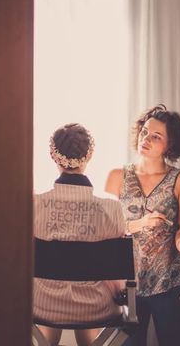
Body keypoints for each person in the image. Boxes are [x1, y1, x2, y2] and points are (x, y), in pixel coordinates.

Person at [34, 123, 126, 346]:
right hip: (94, 307)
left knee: (50, 292)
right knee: (91, 292)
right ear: (90, 154)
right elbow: (122, 266)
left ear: (53, 155)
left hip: (43, 305)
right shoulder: (111, 207)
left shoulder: (34, 204)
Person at [105, 104, 180, 346]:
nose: (146, 139)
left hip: (169, 284)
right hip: (126, 286)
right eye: (144, 132)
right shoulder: (116, 176)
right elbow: (107, 231)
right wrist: (139, 223)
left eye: (156, 136)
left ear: (169, 145)